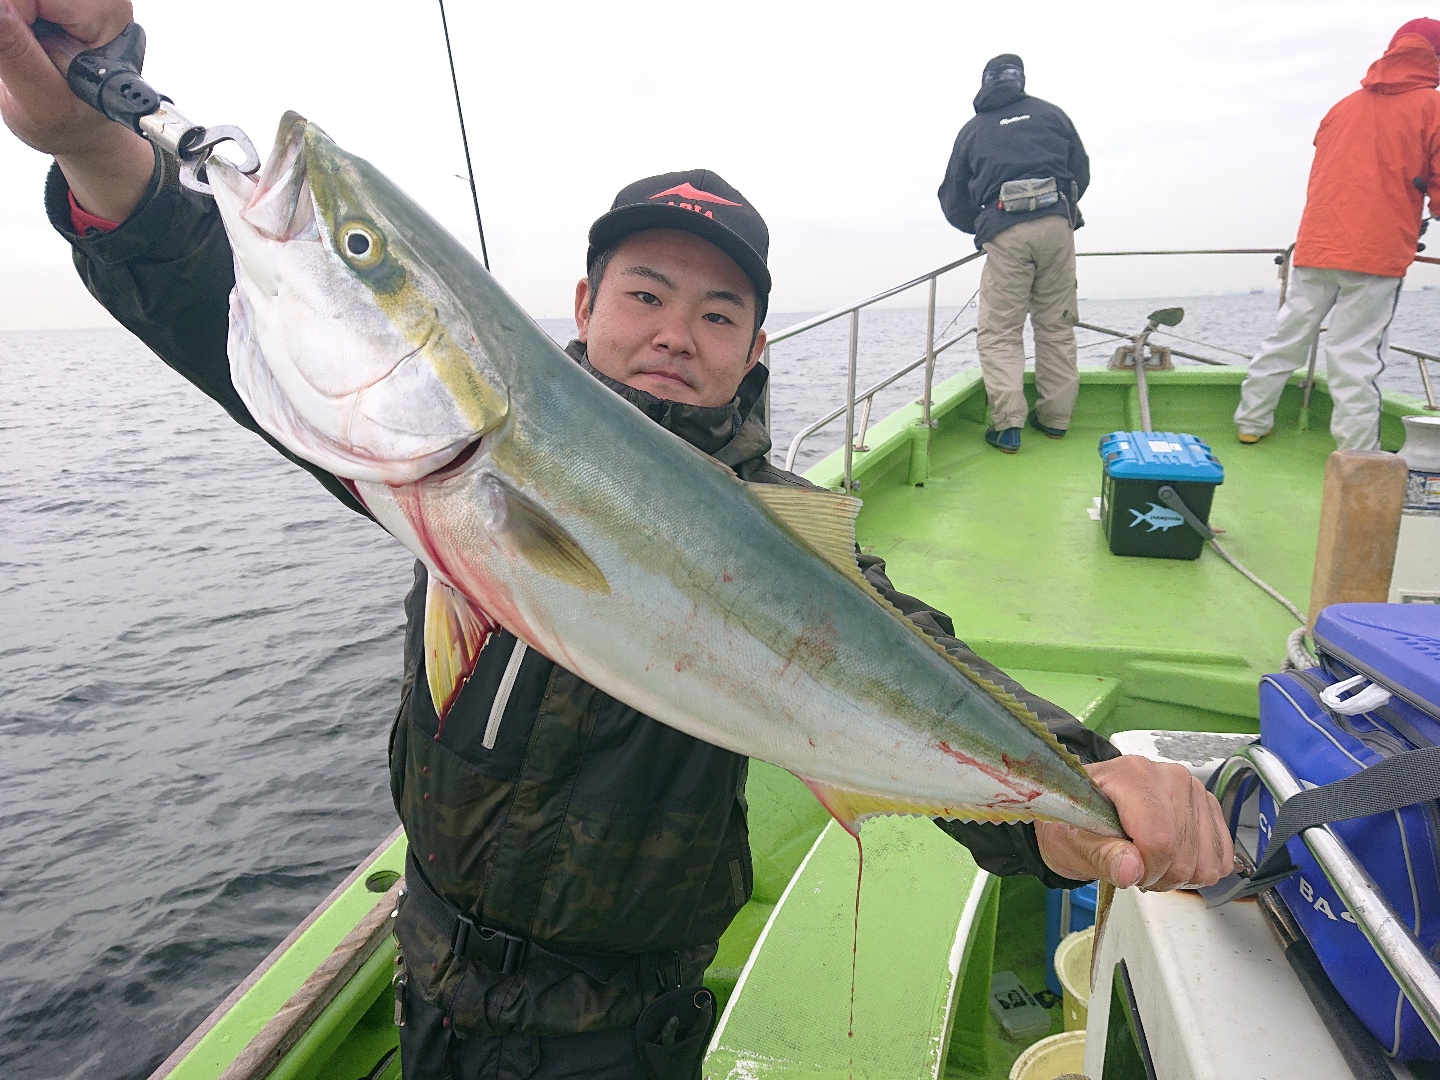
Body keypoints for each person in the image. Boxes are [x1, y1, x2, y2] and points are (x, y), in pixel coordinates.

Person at [0, 5, 1232, 1078]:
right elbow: (214, 303)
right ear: (581, 309)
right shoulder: (432, 461)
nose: (675, 331)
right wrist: (91, 139)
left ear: (756, 349)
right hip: (426, 971)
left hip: (617, 1030)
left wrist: (1072, 785)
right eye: (644, 292)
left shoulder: (774, 524)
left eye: (718, 311)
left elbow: (903, 651)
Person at [1234, 20, 1440, 451]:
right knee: (1355, 357)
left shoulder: (1342, 107)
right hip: (1376, 253)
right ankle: (1356, 453)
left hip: (1317, 244)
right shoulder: (1432, 107)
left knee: (1286, 337)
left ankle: (1252, 421)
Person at [938, 54, 1089, 454]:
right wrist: (1057, 209)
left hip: (1005, 230)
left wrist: (985, 224)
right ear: (1020, 80)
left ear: (985, 82)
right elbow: (1081, 170)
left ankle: (1008, 426)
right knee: (1056, 324)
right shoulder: (1052, 115)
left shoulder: (973, 130)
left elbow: (952, 196)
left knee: (1001, 331)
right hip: (1058, 225)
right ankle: (1056, 419)